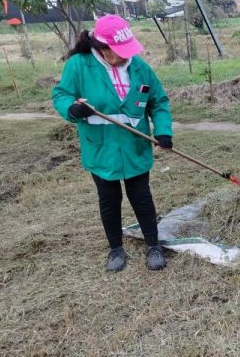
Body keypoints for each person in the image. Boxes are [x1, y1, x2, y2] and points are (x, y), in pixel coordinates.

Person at [52, 14, 173, 272]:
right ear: (103, 48)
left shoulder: (139, 67)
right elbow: (61, 95)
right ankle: (115, 249)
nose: (126, 56)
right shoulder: (79, 66)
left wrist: (163, 131)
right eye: (120, 51)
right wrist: (72, 109)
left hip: (135, 147)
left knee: (141, 196)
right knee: (109, 198)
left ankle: (153, 246)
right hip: (101, 149)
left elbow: (158, 101)